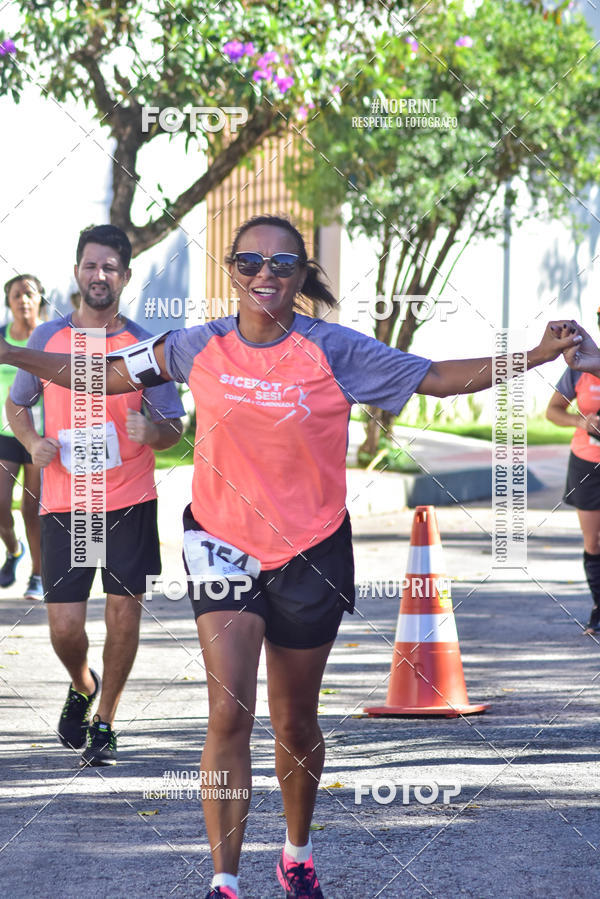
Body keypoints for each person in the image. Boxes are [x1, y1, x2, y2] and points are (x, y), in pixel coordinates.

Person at [0, 214, 582, 898]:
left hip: (311, 549)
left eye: (282, 265)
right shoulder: (196, 345)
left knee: (295, 718)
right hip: (221, 543)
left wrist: (537, 356)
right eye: (250, 263)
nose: (264, 276)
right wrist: (10, 355)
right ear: (232, 271)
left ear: (302, 275)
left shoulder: (333, 349)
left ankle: (296, 853)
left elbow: (439, 379)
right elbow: (94, 371)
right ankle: (223, 879)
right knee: (229, 711)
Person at [5, 224, 185, 767]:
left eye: (110, 267)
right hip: (67, 502)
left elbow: (175, 424)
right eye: (90, 265)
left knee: (124, 617)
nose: (99, 275)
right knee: (63, 626)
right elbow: (18, 405)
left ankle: (105, 720)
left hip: (128, 499)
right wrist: (32, 440)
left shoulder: (143, 346)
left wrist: (152, 434)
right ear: (77, 272)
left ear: (125, 276)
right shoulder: (48, 339)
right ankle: (82, 683)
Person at [548, 314, 600, 635]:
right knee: (594, 540)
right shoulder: (579, 368)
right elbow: (553, 411)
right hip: (587, 462)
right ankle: (599, 607)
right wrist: (582, 422)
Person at [0, 274, 45, 600]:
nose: (24, 300)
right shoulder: (2, 339)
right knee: (1, 503)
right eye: (17, 295)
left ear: (40, 298)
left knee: (32, 509)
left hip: (42, 434)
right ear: (9, 302)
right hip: (4, 430)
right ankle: (14, 550)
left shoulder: (51, 337)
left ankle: (38, 575)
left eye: (30, 293)